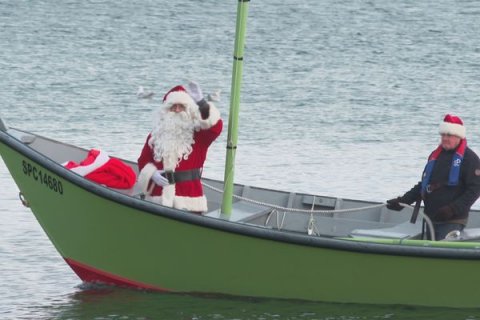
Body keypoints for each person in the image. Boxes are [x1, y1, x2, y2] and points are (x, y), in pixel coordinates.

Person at [386, 114, 480, 240]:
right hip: (431, 218)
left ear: (459, 137)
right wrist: (403, 201)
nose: (445, 138)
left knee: (444, 254)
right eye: (443, 135)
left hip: (452, 220)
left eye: (449, 135)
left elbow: (475, 190)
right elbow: (424, 185)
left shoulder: (470, 159)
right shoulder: (436, 156)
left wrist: (452, 209)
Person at [137, 81, 222, 213]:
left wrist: (202, 104)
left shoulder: (199, 134)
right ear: (165, 110)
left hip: (188, 200)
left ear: (188, 110)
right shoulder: (155, 136)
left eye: (181, 106)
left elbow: (215, 127)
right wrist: (151, 173)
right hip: (157, 199)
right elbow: (143, 161)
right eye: (173, 106)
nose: (177, 110)